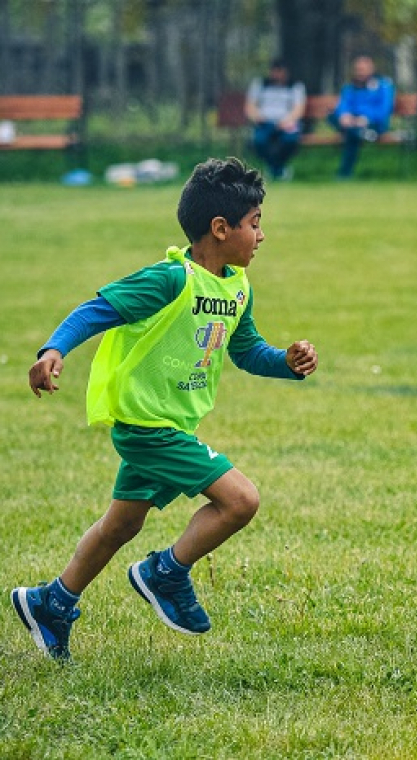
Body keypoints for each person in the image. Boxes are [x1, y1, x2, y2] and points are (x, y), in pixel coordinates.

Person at [11, 158, 319, 661]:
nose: (262, 235)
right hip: (147, 426)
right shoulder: (169, 280)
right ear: (220, 229)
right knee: (240, 500)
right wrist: (54, 349)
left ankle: (51, 602)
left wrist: (286, 362)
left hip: (171, 423)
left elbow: (245, 351)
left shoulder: (236, 286)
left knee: (121, 526)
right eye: (255, 223)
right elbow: (97, 309)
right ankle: (165, 572)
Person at [329, 55, 395, 179]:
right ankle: (363, 133)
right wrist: (344, 115)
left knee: (352, 133)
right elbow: (343, 104)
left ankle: (344, 173)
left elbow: (384, 110)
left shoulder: (383, 86)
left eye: (363, 69)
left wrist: (366, 118)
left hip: (374, 122)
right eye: (357, 70)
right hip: (352, 122)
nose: (360, 73)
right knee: (333, 117)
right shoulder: (350, 88)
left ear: (371, 69)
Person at [245, 59, 307, 180]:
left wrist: (286, 121)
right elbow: (250, 106)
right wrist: (257, 116)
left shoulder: (295, 86)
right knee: (259, 141)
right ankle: (277, 169)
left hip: (287, 123)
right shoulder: (260, 84)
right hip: (265, 123)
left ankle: (275, 169)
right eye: (275, 71)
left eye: (280, 71)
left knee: (290, 140)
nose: (277, 75)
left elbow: (299, 109)